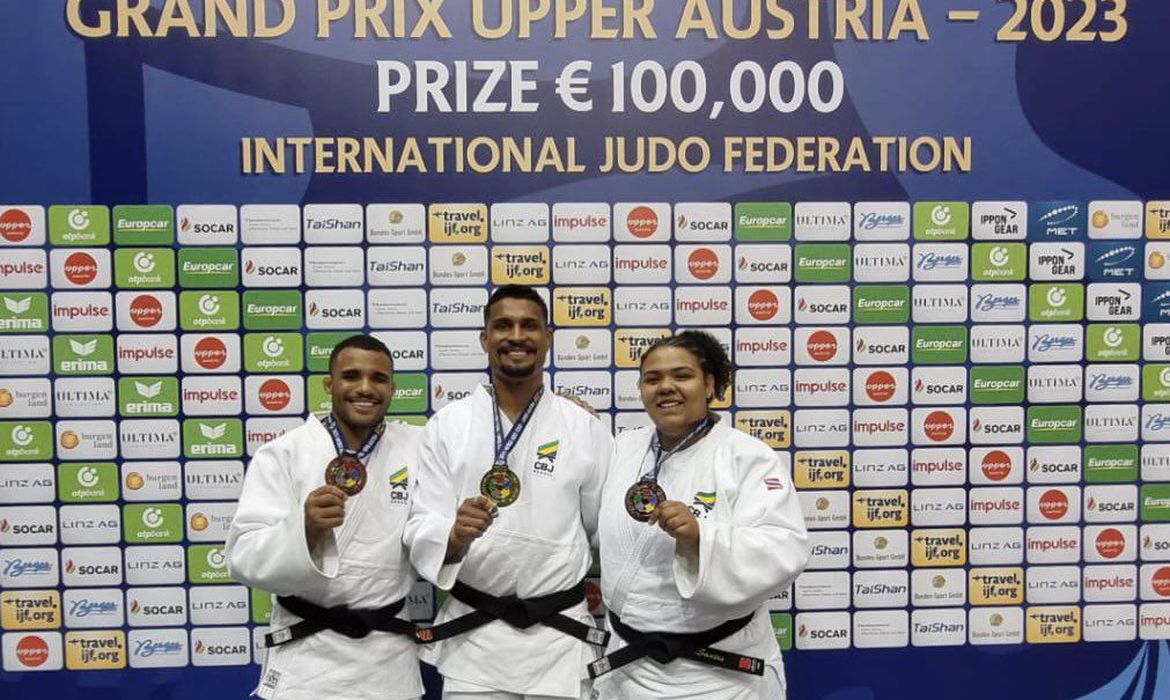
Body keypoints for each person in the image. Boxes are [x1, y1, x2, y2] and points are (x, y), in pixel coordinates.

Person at [404, 284, 613, 700]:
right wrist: (453, 534)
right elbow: (421, 521)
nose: (516, 336)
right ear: (485, 338)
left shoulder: (584, 427)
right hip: (475, 644)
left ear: (548, 337)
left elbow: (601, 528)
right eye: (503, 325)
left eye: (529, 326)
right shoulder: (448, 425)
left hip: (561, 640)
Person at [592, 330, 809, 700]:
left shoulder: (748, 457)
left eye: (682, 375)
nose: (666, 387)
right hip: (630, 669)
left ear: (709, 384)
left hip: (721, 673)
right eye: (652, 378)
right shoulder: (623, 448)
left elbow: (784, 548)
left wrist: (700, 538)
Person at [226, 334, 424, 700]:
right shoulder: (283, 453)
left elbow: (474, 453)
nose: (365, 388)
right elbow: (243, 559)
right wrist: (304, 529)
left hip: (388, 662)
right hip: (307, 662)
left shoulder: (418, 448)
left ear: (392, 388)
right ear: (329, 384)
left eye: (378, 379)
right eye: (351, 376)